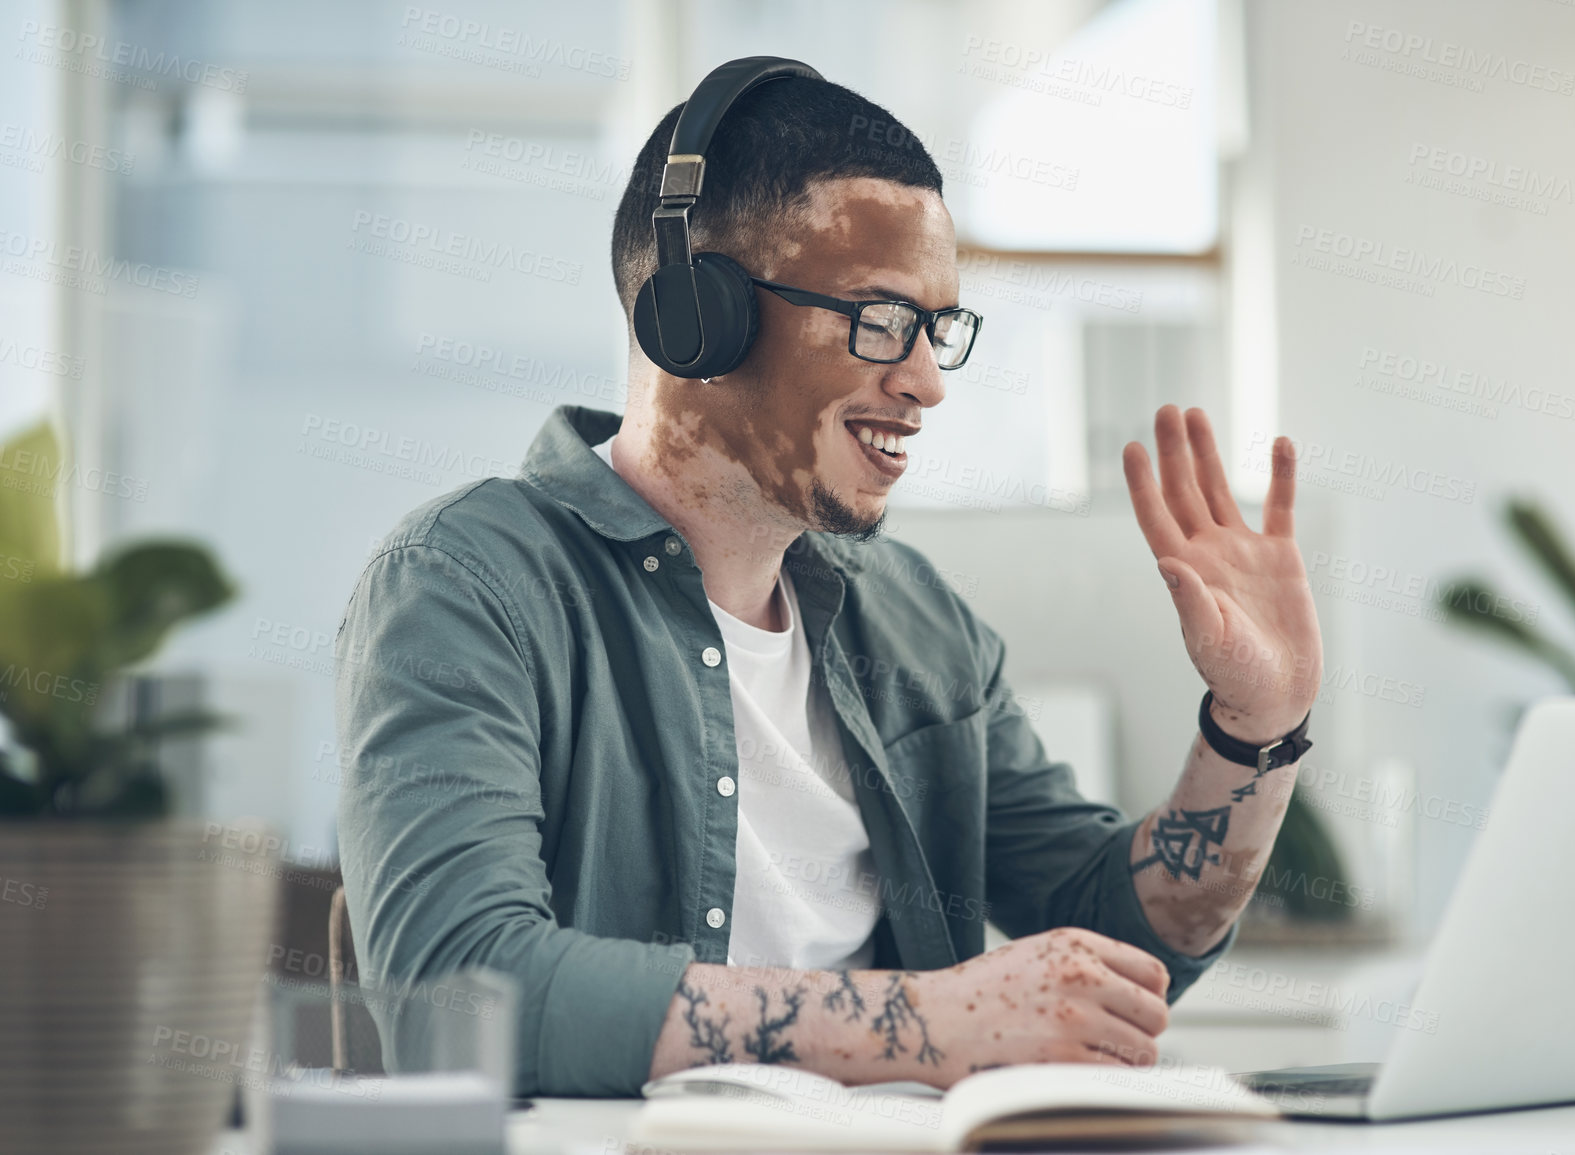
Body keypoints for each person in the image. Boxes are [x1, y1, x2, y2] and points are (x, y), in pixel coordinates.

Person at [334, 63, 1322, 1099]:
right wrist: (937, 1021)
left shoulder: (917, 622)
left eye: (940, 328)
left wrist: (1256, 729)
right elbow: (458, 996)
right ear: (695, 317)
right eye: (882, 317)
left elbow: (1122, 943)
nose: (929, 381)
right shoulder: (464, 585)